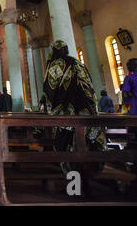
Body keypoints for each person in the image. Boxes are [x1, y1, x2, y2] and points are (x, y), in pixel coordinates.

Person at [43, 40, 106, 179]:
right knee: (87, 139)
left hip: (67, 111)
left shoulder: (56, 65)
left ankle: (75, 180)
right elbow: (89, 85)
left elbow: (49, 89)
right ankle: (91, 173)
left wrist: (49, 107)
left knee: (68, 141)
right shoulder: (78, 63)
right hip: (87, 109)